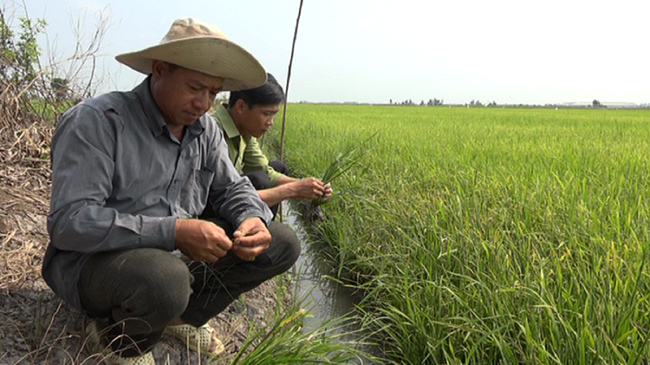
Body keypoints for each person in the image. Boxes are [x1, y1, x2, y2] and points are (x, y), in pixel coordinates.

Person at [42, 18, 300, 364]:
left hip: (171, 260)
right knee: (164, 279)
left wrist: (250, 216)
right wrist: (175, 231)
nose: (204, 103)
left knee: (281, 243)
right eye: (195, 88)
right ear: (160, 70)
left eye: (213, 93)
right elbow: (71, 223)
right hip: (95, 262)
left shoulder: (205, 130)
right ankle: (119, 341)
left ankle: (179, 319)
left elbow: (231, 187)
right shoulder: (97, 122)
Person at [213, 73, 332, 218]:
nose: (271, 122)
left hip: (230, 195)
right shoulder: (213, 131)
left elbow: (267, 171)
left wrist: (311, 187)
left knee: (278, 168)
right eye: (266, 114)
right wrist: (294, 189)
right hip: (213, 206)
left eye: (273, 115)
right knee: (260, 180)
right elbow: (224, 196)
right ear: (241, 107)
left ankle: (266, 222)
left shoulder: (244, 132)